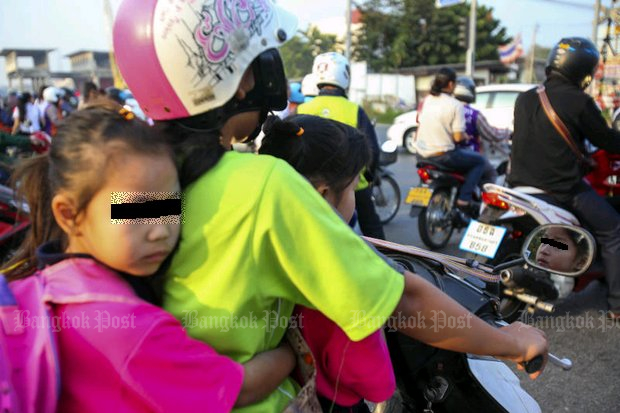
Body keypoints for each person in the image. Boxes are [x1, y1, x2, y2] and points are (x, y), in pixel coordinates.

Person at [113, 2, 548, 412]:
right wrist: (511, 341)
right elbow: (403, 303)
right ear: (236, 77)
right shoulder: (262, 186)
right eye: (258, 55)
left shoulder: (130, 184)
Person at [3, 103, 296, 412]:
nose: (160, 232)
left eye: (170, 206)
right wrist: (290, 352)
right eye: (137, 211)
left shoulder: (46, 283)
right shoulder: (129, 325)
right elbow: (240, 389)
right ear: (69, 214)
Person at [259, 115, 397, 412]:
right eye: (351, 189)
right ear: (322, 193)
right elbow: (373, 379)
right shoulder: (328, 262)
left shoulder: (188, 178)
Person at [507, 37, 620, 320]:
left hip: (516, 185)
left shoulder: (526, 96)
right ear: (582, 69)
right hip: (560, 189)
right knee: (612, 230)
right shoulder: (580, 101)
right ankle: (617, 305)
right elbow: (607, 140)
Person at [297, 52, 385, 239]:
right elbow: (372, 151)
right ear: (344, 76)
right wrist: (368, 178)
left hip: (309, 185)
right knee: (372, 227)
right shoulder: (353, 109)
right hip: (351, 184)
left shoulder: (303, 109)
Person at [415, 68, 487, 212]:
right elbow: (458, 137)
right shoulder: (455, 105)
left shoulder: (427, 100)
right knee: (480, 161)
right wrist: (466, 136)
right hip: (443, 156)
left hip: (421, 153)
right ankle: (464, 198)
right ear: (450, 84)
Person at [453, 76, 511, 186]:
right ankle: (480, 201)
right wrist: (508, 133)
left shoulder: (449, 108)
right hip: (467, 154)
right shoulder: (474, 114)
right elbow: (492, 134)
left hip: (446, 154)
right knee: (491, 173)